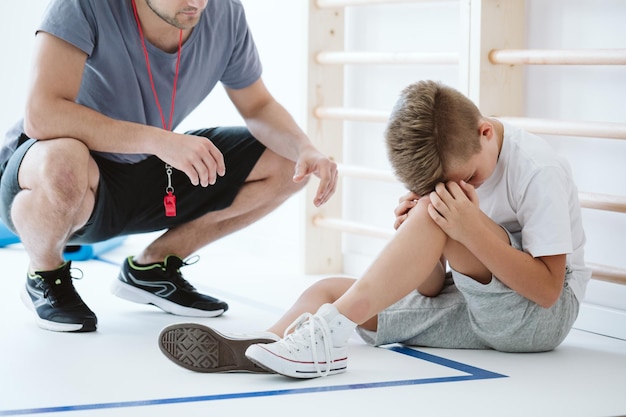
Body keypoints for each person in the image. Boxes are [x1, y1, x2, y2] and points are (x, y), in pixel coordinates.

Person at [158, 80, 591, 378]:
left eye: (470, 178)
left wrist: (465, 228)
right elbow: (430, 289)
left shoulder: (537, 169)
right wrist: (422, 238)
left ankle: (323, 339)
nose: (463, 189)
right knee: (327, 291)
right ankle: (266, 347)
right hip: (472, 307)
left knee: (437, 215)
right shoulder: (456, 177)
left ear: (484, 133)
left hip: (538, 320)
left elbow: (550, 291)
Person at [0, 0, 338, 333]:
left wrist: (305, 147)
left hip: (146, 167)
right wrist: (160, 141)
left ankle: (154, 267)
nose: (196, 3)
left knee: (289, 162)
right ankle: (45, 274)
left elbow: (258, 105)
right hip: (59, 176)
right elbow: (43, 114)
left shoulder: (225, 13)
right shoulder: (82, 5)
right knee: (64, 160)